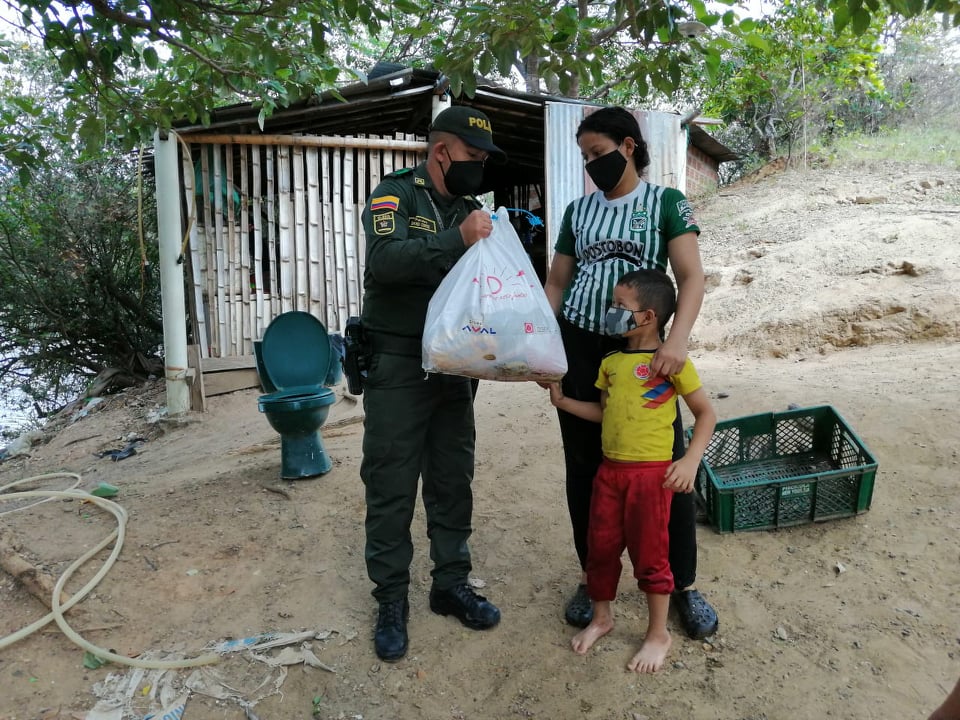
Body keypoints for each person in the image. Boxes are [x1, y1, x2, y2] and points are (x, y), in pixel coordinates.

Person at [543, 106, 720, 639]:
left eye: (597, 153)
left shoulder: (665, 202)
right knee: (586, 468)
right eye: (584, 157)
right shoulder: (578, 213)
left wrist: (677, 340)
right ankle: (592, 578)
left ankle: (681, 584)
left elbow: (690, 277)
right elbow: (556, 284)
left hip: (647, 351)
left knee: (663, 469)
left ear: (627, 146)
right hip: (580, 343)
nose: (590, 164)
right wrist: (538, 341)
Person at [358, 105, 506, 662]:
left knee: (452, 477)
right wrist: (457, 241)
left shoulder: (473, 209)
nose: (480, 168)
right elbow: (385, 261)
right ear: (442, 152)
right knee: (392, 481)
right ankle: (391, 598)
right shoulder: (395, 194)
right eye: (474, 156)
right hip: (397, 362)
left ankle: (450, 586)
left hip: (454, 366)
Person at [548, 269, 716, 673]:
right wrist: (563, 401)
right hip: (610, 473)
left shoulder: (671, 364)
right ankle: (602, 617)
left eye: (621, 306)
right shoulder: (610, 363)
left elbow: (706, 414)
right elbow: (604, 413)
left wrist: (689, 460)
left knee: (651, 556)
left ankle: (658, 633)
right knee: (600, 549)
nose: (612, 312)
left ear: (649, 317)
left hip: (651, 479)